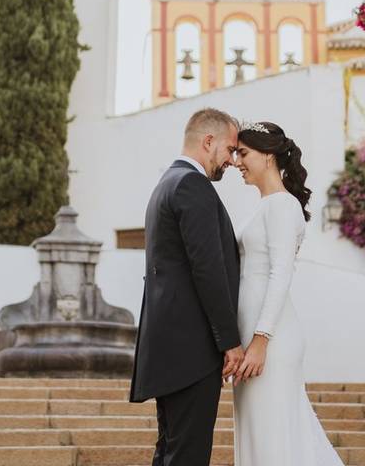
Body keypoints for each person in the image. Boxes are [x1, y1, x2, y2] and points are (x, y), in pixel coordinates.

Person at [129, 107, 245, 466]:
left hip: (169, 347)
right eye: (229, 150)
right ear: (208, 141)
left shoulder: (167, 182)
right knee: (188, 455)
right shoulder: (192, 185)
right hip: (192, 351)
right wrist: (230, 341)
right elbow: (207, 270)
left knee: (171, 452)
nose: (232, 160)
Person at [230, 120, 344, 465]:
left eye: (244, 153)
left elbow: (281, 274)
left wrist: (261, 341)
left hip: (271, 342)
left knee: (273, 435)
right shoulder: (265, 206)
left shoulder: (282, 205)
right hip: (254, 339)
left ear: (268, 157)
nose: (236, 162)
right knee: (259, 434)